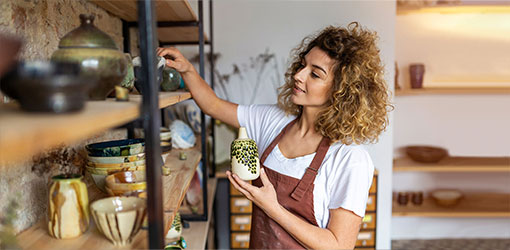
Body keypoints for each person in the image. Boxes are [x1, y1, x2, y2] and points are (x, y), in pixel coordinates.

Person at [157, 22, 392, 249]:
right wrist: (187, 69)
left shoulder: (349, 158)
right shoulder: (274, 121)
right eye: (303, 66)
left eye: (315, 74)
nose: (299, 75)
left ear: (342, 91)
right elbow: (214, 106)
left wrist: (273, 208)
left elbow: (339, 246)